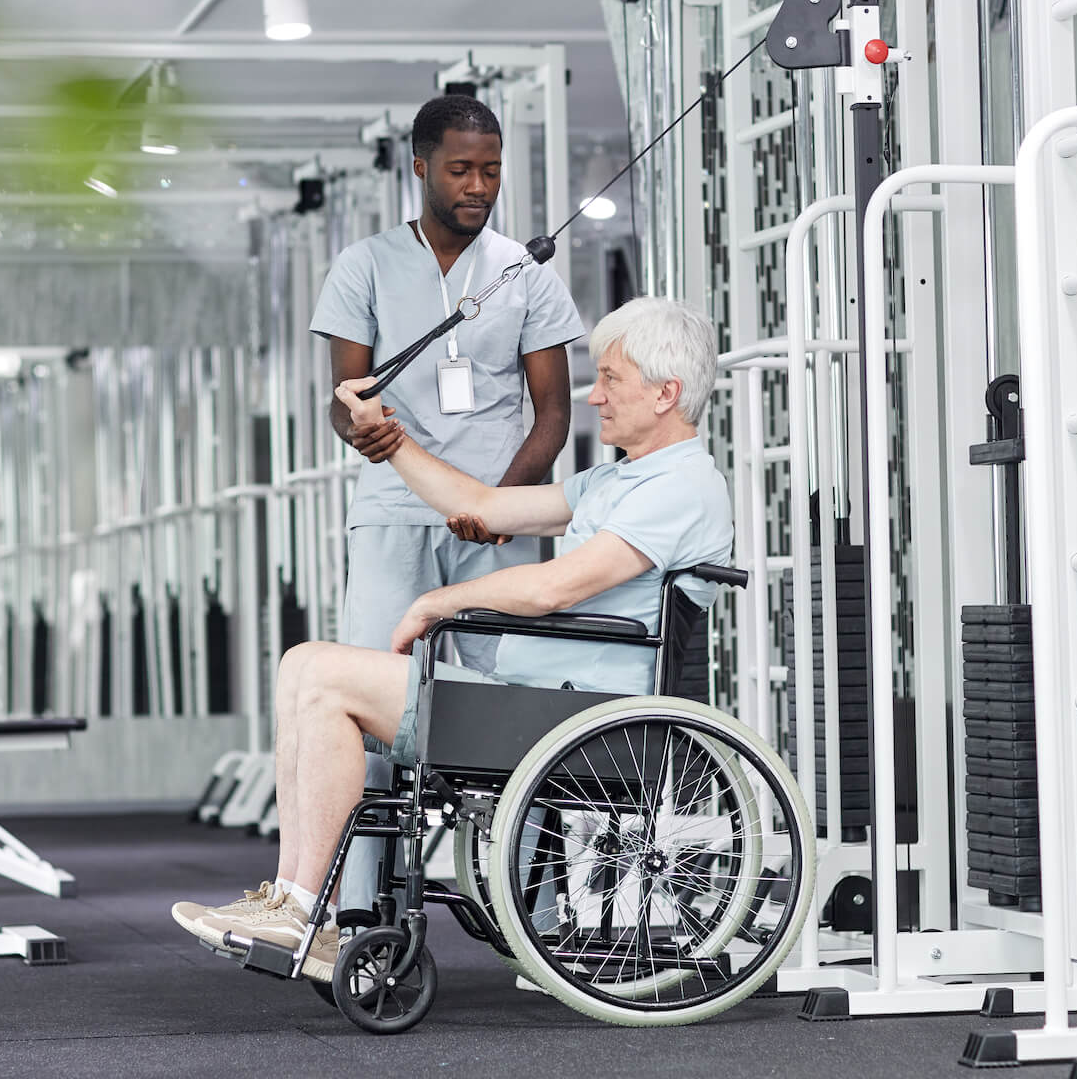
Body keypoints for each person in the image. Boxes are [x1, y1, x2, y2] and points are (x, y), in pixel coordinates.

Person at [171, 298, 734, 981]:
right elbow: (489, 507)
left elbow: (557, 588)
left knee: (321, 678)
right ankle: (292, 904)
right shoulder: (619, 479)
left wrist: (440, 600)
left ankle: (300, 909)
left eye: (611, 379)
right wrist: (392, 438)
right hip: (536, 701)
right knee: (303, 667)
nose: (594, 395)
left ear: (665, 392)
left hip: (574, 717)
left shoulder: (681, 487)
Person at [310, 92, 585, 914]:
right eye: (461, 169)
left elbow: (555, 414)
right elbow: (342, 398)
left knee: (518, 713)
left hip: (495, 528)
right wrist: (356, 421)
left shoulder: (525, 271)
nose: (478, 185)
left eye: (491, 171)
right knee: (370, 705)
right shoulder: (363, 266)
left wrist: (499, 507)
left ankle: (535, 913)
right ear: (421, 166)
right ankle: (362, 908)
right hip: (393, 515)